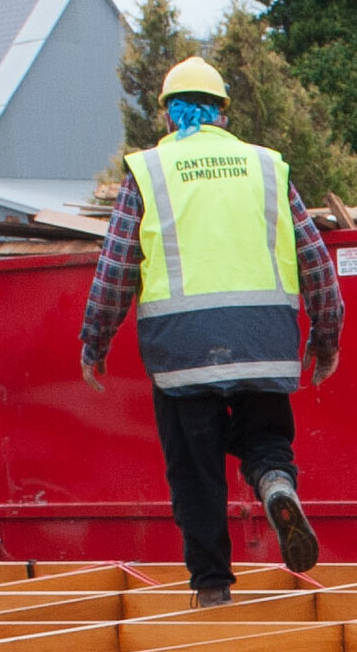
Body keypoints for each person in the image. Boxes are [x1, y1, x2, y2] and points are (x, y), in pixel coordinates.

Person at [79, 54, 341, 603]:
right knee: (266, 437)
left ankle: (213, 587)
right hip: (264, 340)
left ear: (169, 114)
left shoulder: (149, 171)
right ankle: (274, 482)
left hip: (182, 351)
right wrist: (326, 336)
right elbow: (315, 260)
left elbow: (116, 267)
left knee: (195, 472)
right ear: (223, 111)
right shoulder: (267, 167)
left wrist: (94, 341)